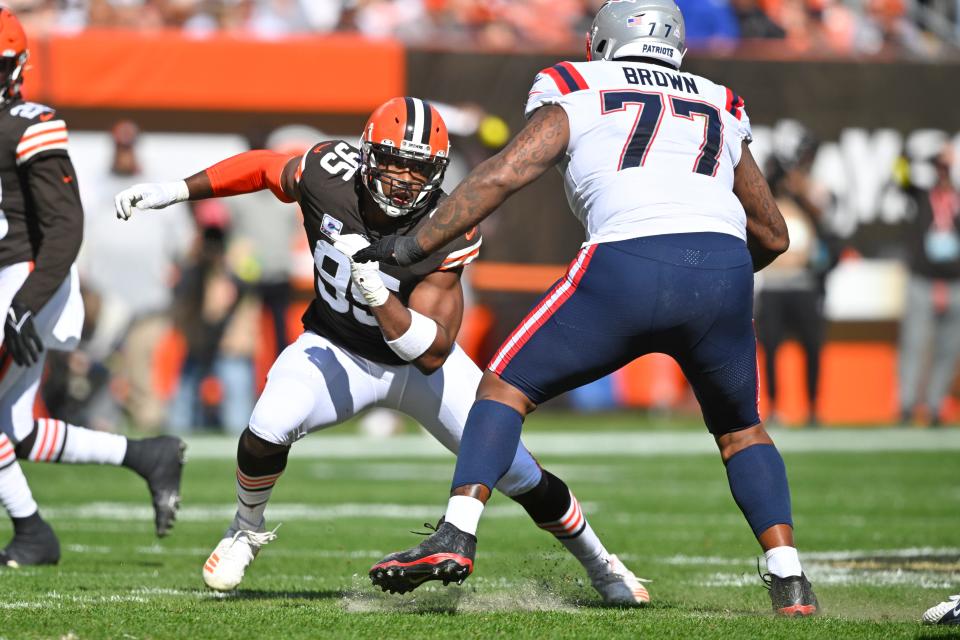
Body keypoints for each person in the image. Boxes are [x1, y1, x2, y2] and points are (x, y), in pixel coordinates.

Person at [358, 0, 818, 617]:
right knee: (741, 431)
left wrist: (411, 246)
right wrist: (707, 282)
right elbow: (774, 235)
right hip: (723, 268)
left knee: (502, 389)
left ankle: (457, 532)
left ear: (602, 40)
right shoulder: (719, 99)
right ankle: (789, 580)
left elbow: (504, 174)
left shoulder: (575, 82)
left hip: (625, 259)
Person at [114, 97, 651, 605]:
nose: (405, 179)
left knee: (519, 473)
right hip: (335, 346)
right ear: (368, 155)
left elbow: (434, 352)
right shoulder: (327, 170)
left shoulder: (447, 224)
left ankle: (603, 565)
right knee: (264, 430)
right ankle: (244, 530)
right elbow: (263, 167)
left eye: (421, 170)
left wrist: (380, 298)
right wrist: (179, 191)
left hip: (416, 368)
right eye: (395, 163)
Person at [0, 7, 184, 568]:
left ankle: (32, 530)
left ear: (16, 67)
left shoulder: (29, 122)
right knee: (18, 430)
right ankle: (146, 455)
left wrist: (25, 304)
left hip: (22, 279)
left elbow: (65, 226)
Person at [897, 145, 960, 427]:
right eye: (940, 168)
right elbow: (900, 175)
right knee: (914, 344)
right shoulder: (922, 195)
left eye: (948, 168)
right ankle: (907, 405)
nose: (943, 173)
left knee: (949, 347)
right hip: (922, 280)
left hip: (955, 282)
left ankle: (935, 405)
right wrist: (916, 155)